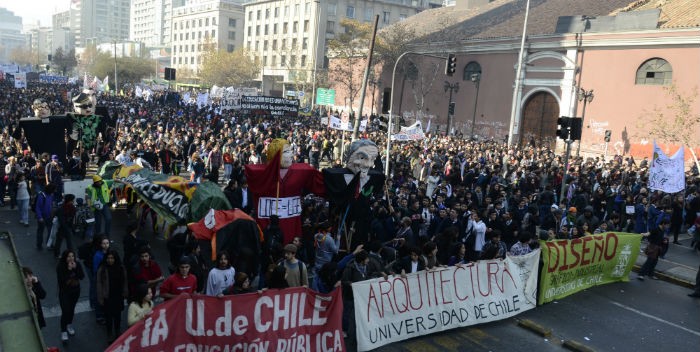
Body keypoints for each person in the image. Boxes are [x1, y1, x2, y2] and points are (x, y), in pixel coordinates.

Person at [96, 250, 128, 343]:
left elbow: (125, 281)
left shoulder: (121, 268)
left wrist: (125, 292)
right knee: (108, 317)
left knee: (118, 315)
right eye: (108, 258)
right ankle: (109, 333)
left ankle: (117, 331)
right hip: (107, 297)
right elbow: (99, 284)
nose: (110, 260)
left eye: (112, 258)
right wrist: (100, 298)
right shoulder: (102, 269)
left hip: (118, 296)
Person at [56, 249, 85, 343]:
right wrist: (69, 271)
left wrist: (75, 268)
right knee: (65, 310)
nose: (71, 258)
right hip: (65, 292)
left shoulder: (77, 264)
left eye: (72, 256)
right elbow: (62, 281)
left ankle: (69, 324)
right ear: (65, 257)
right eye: (69, 256)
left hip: (75, 291)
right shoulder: (60, 266)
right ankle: (63, 330)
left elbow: (82, 276)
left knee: (71, 309)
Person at [54, 194, 77, 258]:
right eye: (72, 200)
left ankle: (57, 254)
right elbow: (63, 220)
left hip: (64, 227)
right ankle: (72, 255)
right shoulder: (69, 208)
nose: (73, 201)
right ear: (69, 201)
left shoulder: (62, 207)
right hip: (64, 227)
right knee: (67, 242)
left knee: (60, 241)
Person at [35, 184, 56, 250]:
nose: (55, 191)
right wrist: (40, 217)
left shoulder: (50, 195)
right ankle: (39, 245)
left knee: (49, 231)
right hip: (43, 216)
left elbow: (51, 205)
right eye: (54, 190)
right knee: (41, 231)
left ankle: (48, 244)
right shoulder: (41, 196)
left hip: (49, 216)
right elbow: (38, 207)